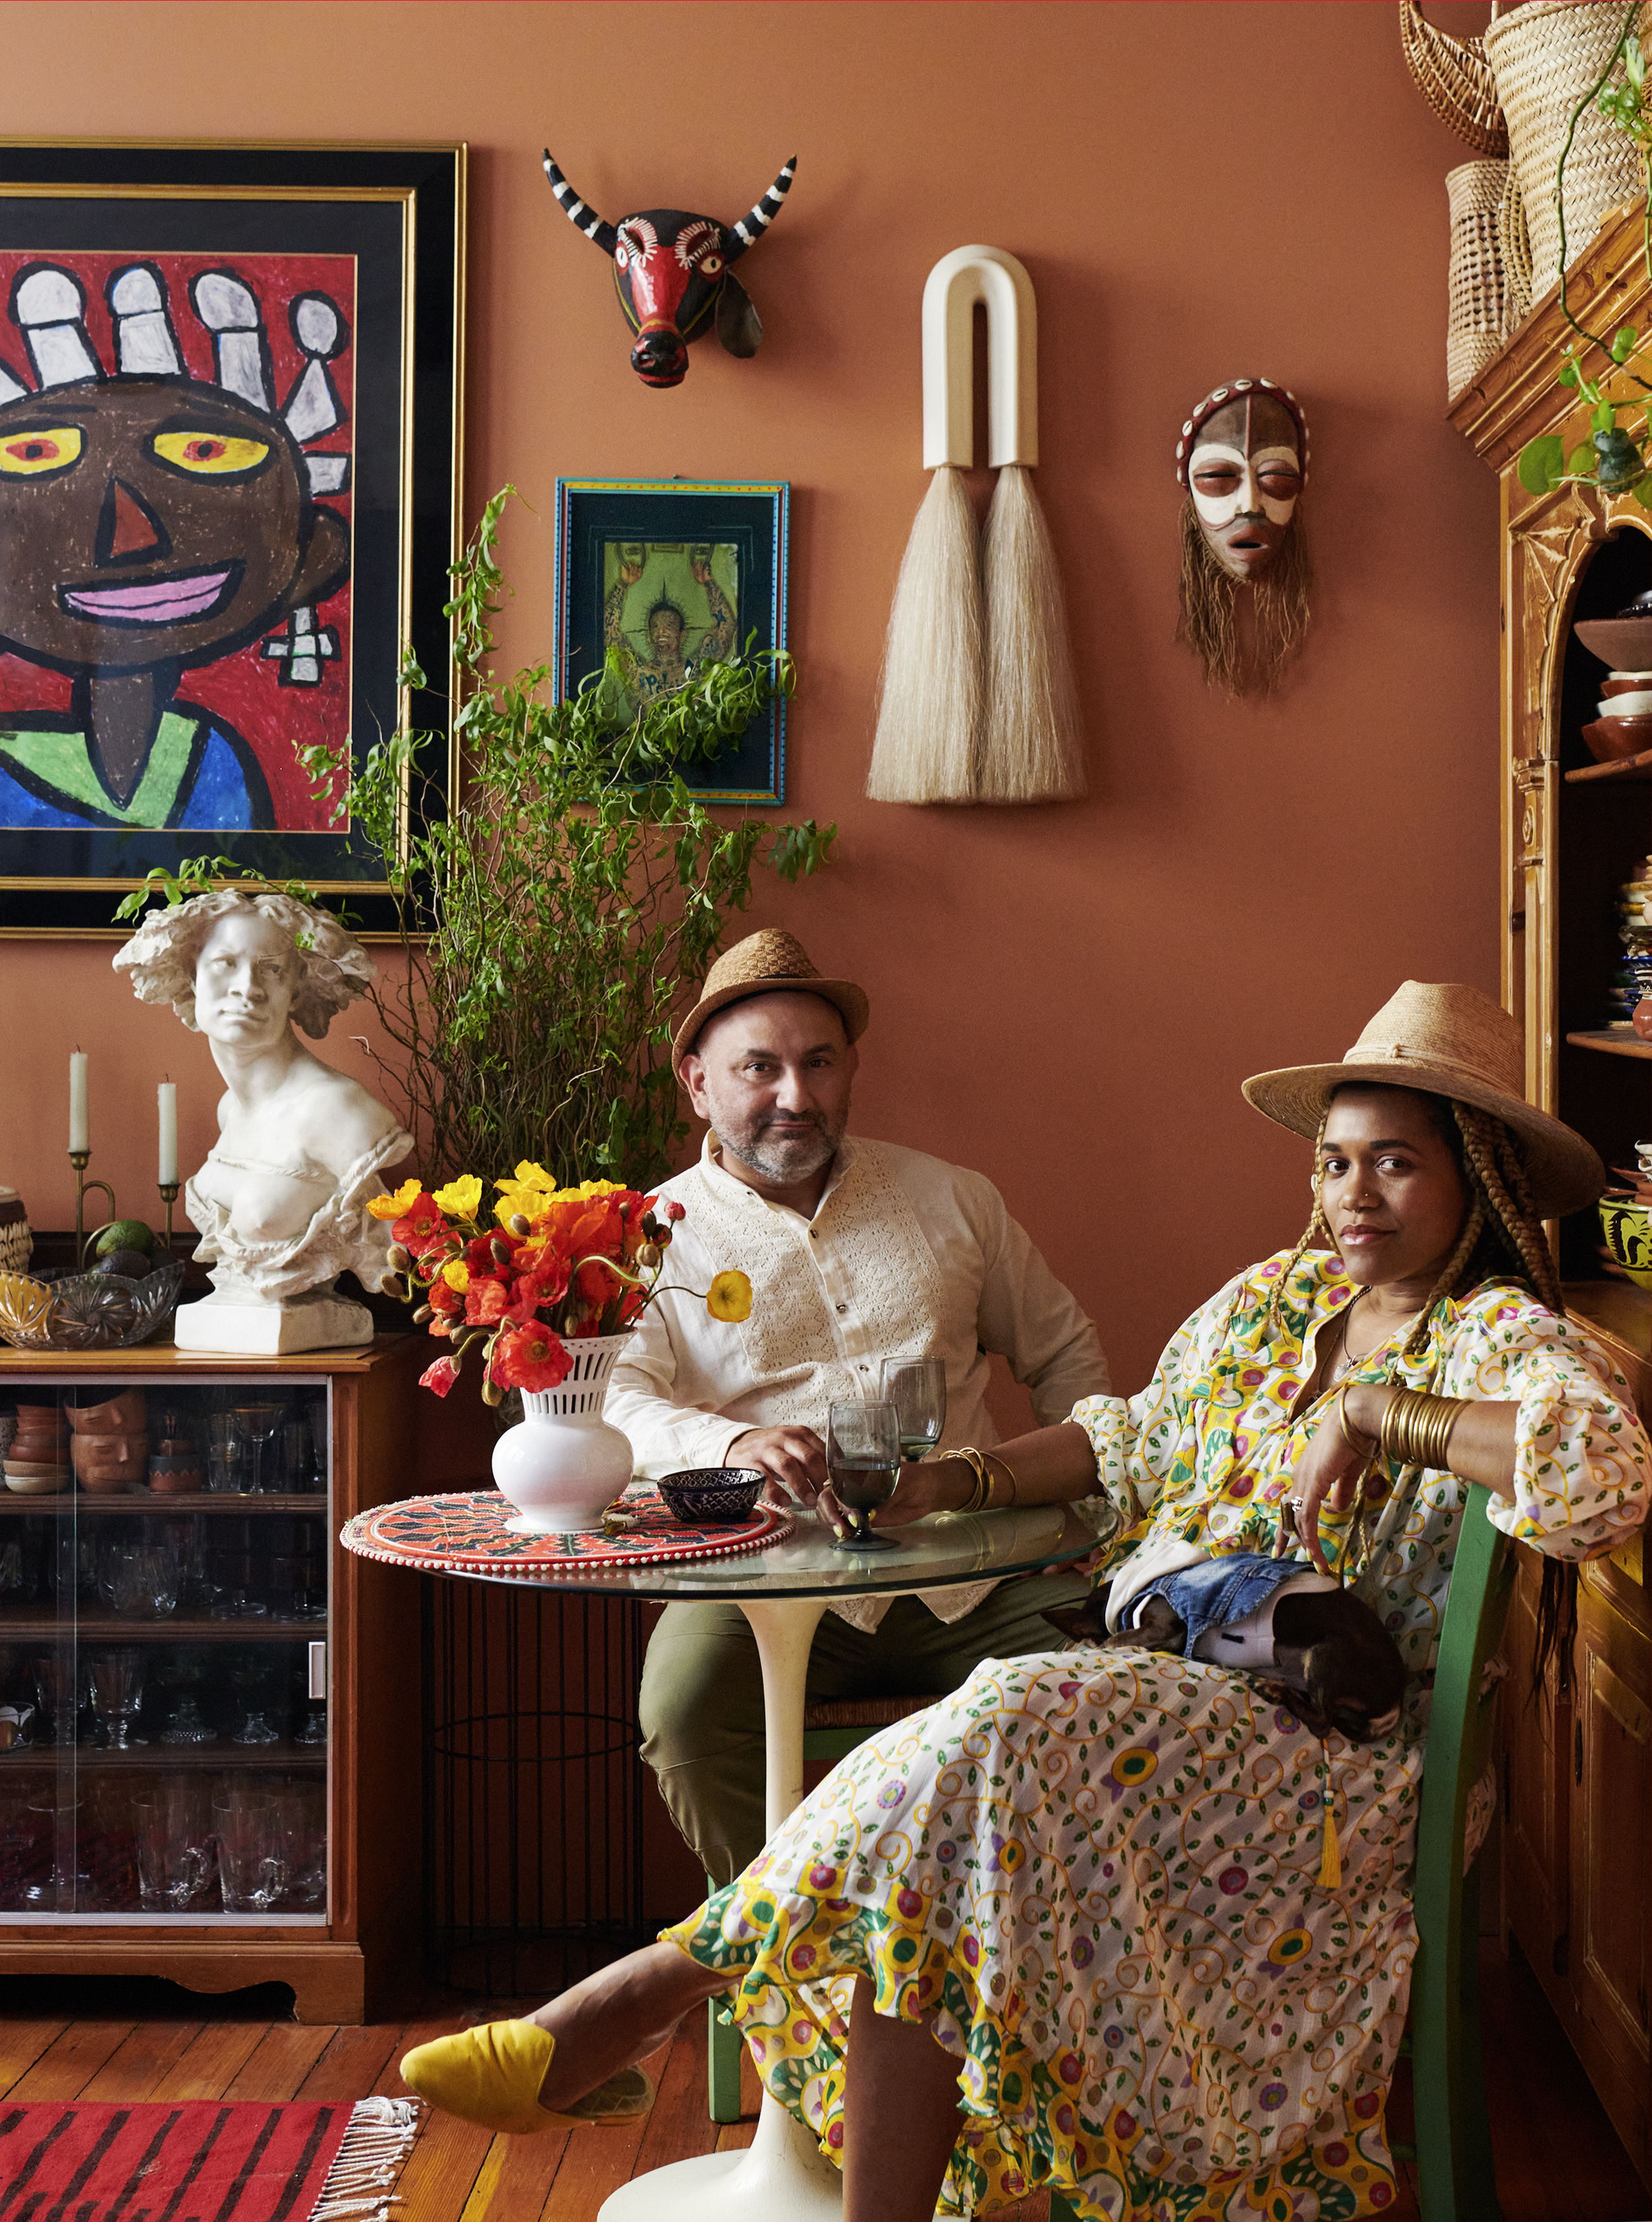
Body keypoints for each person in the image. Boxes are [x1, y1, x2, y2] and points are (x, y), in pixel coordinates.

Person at [402, 979, 1652, 2222]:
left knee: (1000, 1713)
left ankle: (634, 1998)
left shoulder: (1499, 1334)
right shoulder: (1272, 1300)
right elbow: (1130, 1435)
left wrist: (1392, 1411)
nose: (1352, 1194)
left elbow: (1606, 1464)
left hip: (1321, 1750)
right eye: (1335, 1161)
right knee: (962, 1802)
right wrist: (938, 1482)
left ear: (1471, 1176)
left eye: (1394, 1162)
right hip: (1158, 1695)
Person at [604, 926, 1111, 1885]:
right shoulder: (646, 1236)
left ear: (848, 1073)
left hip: (977, 1569)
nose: (795, 1096)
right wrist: (733, 1442)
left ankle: (1005, 1957)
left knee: (1124, 1685)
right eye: (760, 1067)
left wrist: (1090, 1501)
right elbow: (615, 1402)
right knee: (681, 1718)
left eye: (818, 1063)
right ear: (696, 1082)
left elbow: (1064, 1354)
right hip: (756, 1575)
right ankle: (799, 1966)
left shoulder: (955, 1200)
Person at [113, 886, 411, 1319]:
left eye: (271, 970)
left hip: (308, 1330)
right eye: (225, 964)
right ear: (193, 978)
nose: (246, 989)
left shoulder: (336, 1111)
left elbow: (395, 1251)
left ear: (294, 991)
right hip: (229, 1324)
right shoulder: (229, 1110)